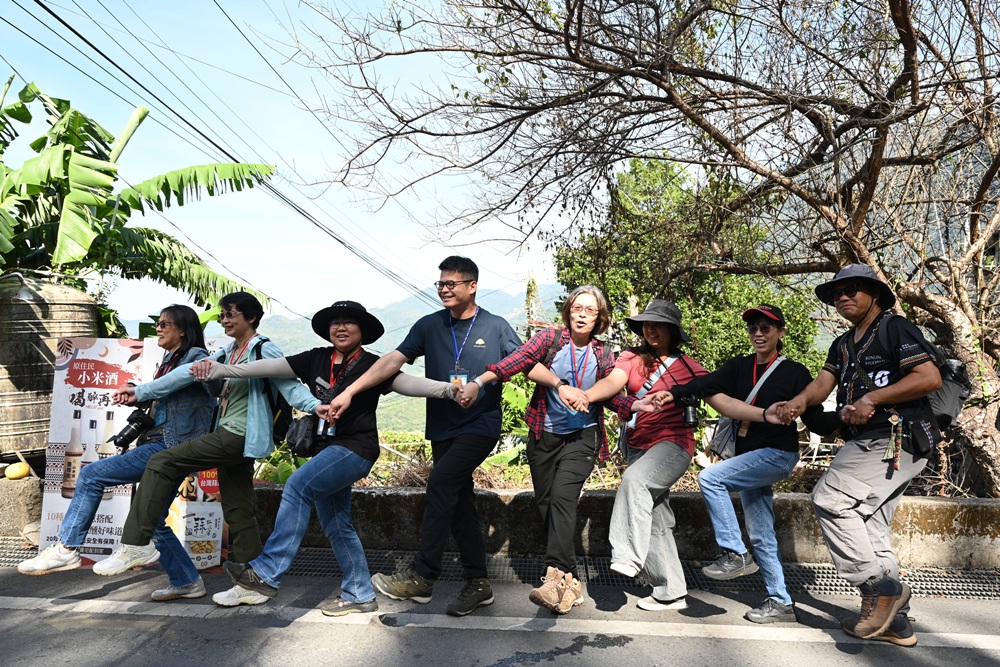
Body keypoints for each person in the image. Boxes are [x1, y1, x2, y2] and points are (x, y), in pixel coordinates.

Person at [190, 301, 459, 615]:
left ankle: (265, 573)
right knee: (337, 525)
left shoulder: (372, 365)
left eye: (349, 322)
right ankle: (359, 594)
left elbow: (409, 384)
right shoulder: (315, 358)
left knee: (298, 486)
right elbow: (269, 368)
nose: (341, 328)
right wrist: (224, 369)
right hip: (325, 451)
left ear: (363, 330)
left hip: (355, 449)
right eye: (335, 322)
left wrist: (450, 390)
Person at [326, 257, 522, 617]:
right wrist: (350, 390)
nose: (445, 289)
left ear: (472, 285)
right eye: (441, 284)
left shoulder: (495, 326)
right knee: (459, 503)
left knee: (441, 485)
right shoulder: (430, 325)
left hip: (479, 425)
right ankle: (478, 584)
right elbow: (391, 362)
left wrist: (563, 386)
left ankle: (423, 575)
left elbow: (525, 359)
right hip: (442, 428)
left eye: (452, 284)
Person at [104, 292, 322, 607]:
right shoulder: (228, 351)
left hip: (240, 435)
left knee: (162, 461)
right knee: (237, 509)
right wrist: (140, 392)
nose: (224, 319)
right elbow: (182, 375)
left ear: (251, 317)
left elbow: (290, 387)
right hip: (230, 434)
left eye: (231, 314)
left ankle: (137, 542)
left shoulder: (263, 349)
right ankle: (254, 583)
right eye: (222, 314)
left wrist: (319, 407)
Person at [778, 265, 941, 646]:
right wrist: (799, 402)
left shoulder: (894, 328)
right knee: (869, 526)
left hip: (893, 437)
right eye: (836, 294)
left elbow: (928, 377)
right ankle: (895, 623)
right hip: (874, 441)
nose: (842, 297)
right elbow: (823, 383)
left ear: (874, 294)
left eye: (852, 289)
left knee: (831, 500)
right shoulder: (844, 343)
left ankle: (877, 587)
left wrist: (871, 398)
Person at [17, 305, 216, 601]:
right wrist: (137, 392)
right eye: (158, 323)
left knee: (91, 474)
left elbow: (200, 385)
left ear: (183, 329)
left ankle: (66, 548)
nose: (159, 328)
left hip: (168, 445)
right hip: (167, 445)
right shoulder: (169, 361)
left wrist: (144, 391)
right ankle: (187, 580)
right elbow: (168, 396)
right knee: (154, 519)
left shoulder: (196, 358)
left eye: (165, 324)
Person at [660, 304, 827, 624]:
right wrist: (673, 393)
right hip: (751, 460)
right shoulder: (739, 367)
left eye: (766, 328)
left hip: (778, 454)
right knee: (762, 533)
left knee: (711, 479)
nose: (759, 334)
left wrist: (855, 421)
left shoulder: (794, 372)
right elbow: (704, 384)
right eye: (753, 328)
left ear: (781, 332)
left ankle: (735, 553)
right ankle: (780, 601)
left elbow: (817, 420)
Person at [462, 286, 618, 615]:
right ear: (568, 311)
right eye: (577, 307)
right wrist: (480, 381)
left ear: (599, 318)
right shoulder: (550, 339)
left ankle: (552, 579)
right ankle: (571, 583)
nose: (582, 314)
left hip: (583, 436)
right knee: (548, 504)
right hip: (543, 435)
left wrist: (641, 404)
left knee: (562, 497)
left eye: (590, 310)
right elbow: (517, 360)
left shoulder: (603, 354)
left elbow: (614, 395)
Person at [583, 300, 708, 612]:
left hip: (674, 445)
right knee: (654, 518)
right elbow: (613, 383)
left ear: (673, 330)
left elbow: (723, 398)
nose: (649, 329)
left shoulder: (691, 368)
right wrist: (586, 395)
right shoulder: (632, 358)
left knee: (635, 482)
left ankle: (625, 555)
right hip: (639, 445)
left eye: (657, 324)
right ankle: (670, 591)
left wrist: (767, 412)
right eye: (645, 324)